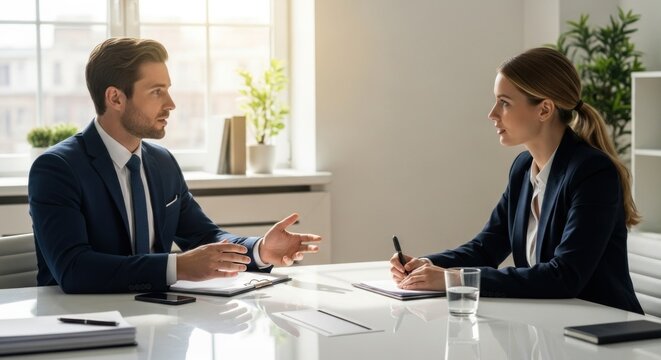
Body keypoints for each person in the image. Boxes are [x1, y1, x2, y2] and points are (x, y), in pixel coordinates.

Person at [28, 37, 321, 293]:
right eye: (157, 91)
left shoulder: (162, 162)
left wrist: (259, 251)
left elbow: (205, 237)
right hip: (83, 327)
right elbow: (73, 269)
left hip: (158, 319)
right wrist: (177, 267)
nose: (171, 103)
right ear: (115, 97)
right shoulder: (57, 168)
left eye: (168, 89)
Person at [390, 47, 643, 314]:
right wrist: (426, 264)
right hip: (551, 323)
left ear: (544, 110)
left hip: (604, 331)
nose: (492, 114)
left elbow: (564, 276)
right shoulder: (523, 168)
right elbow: (486, 248)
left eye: (505, 102)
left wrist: (451, 279)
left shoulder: (592, 172)